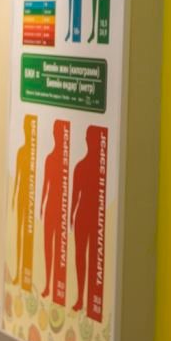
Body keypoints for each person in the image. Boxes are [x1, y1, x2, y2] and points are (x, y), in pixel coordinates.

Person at [70, 126, 104, 315]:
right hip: (83, 215)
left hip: (91, 215)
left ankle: (88, 300)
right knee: (81, 256)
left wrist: (71, 215)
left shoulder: (98, 170)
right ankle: (80, 298)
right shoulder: (81, 167)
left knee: (90, 257)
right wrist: (71, 216)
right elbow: (75, 195)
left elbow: (76, 196)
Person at [40, 120, 69, 303]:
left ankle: (57, 288)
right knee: (48, 246)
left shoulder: (64, 162)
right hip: (50, 207)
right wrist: (41, 205)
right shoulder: (50, 159)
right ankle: (48, 284)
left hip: (59, 208)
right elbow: (46, 185)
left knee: (58, 248)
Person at [9, 115, 37, 288]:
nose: (26, 132)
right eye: (25, 129)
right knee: (19, 233)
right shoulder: (21, 152)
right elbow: (18, 178)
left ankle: (27, 276)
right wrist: (13, 196)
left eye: (28, 129)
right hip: (21, 196)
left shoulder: (34, 154)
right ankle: (18, 274)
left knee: (27, 235)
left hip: (30, 197)